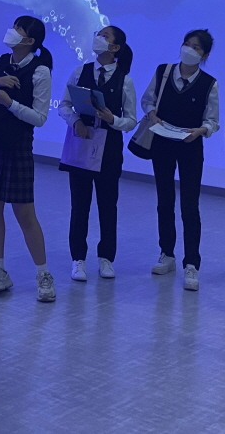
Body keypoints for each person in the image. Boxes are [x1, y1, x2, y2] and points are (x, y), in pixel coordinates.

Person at [0, 16, 56, 303]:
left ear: (29, 41)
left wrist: (10, 102)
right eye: (14, 26)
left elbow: (39, 118)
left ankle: (43, 275)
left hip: (16, 146)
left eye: (19, 29)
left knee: (25, 214)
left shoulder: (41, 71)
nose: (12, 32)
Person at [140, 28, 219, 292]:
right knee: (164, 200)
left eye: (196, 47)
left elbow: (212, 120)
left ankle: (192, 263)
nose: (189, 50)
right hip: (162, 143)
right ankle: (167, 253)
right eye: (187, 44)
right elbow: (147, 100)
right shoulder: (164, 72)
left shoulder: (209, 83)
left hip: (190, 147)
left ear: (204, 55)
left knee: (190, 205)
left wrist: (201, 130)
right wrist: (152, 115)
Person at [58, 25, 137, 283]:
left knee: (107, 205)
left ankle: (106, 257)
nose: (98, 39)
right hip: (81, 143)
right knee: (79, 205)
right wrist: (75, 122)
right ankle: (78, 258)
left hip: (109, 148)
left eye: (105, 36)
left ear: (115, 48)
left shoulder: (124, 80)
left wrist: (113, 119)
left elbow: (131, 120)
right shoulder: (80, 71)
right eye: (98, 35)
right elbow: (64, 105)